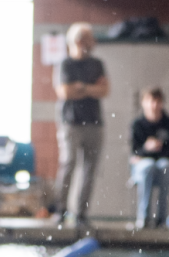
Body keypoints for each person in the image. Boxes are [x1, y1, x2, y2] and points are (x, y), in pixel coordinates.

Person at [54, 22, 109, 228]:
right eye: (89, 38)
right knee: (68, 163)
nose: (93, 42)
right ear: (78, 41)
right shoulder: (65, 64)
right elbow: (65, 92)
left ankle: (81, 213)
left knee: (89, 169)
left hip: (94, 122)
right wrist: (91, 88)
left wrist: (82, 87)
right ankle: (60, 209)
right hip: (71, 122)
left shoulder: (98, 64)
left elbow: (104, 91)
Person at [129, 87, 169, 229]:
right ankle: (144, 217)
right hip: (145, 165)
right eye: (151, 101)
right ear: (144, 103)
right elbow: (135, 152)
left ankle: (162, 219)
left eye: (158, 102)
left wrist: (156, 149)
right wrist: (147, 149)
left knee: (165, 166)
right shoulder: (137, 125)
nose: (154, 106)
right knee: (147, 166)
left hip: (163, 164)